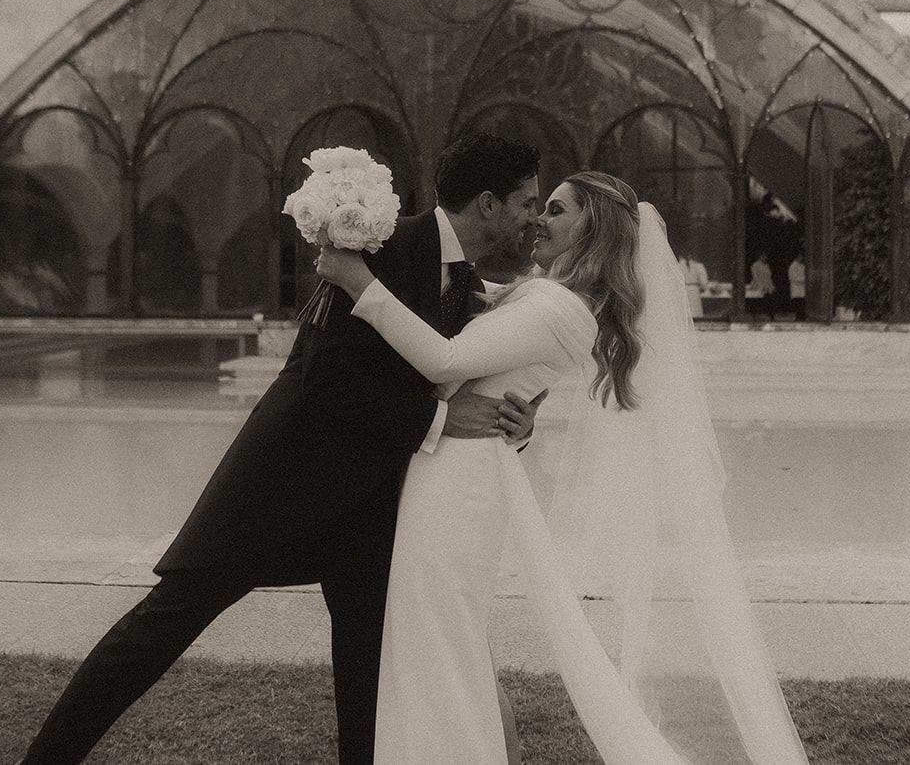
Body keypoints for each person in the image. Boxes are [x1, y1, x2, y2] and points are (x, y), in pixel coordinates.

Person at [21, 133, 546, 764]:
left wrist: (513, 420)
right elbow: (326, 376)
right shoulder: (377, 248)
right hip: (281, 484)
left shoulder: (472, 282)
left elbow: (460, 373)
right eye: (526, 202)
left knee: (368, 667)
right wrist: (438, 416)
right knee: (163, 625)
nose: (533, 218)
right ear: (488, 204)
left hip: (371, 505)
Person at [319, 171, 810, 764]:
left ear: (591, 228)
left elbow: (445, 361)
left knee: (440, 642)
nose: (538, 221)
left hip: (459, 483)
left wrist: (360, 284)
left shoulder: (559, 306)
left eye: (555, 210)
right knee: (449, 644)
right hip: (456, 468)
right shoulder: (548, 294)